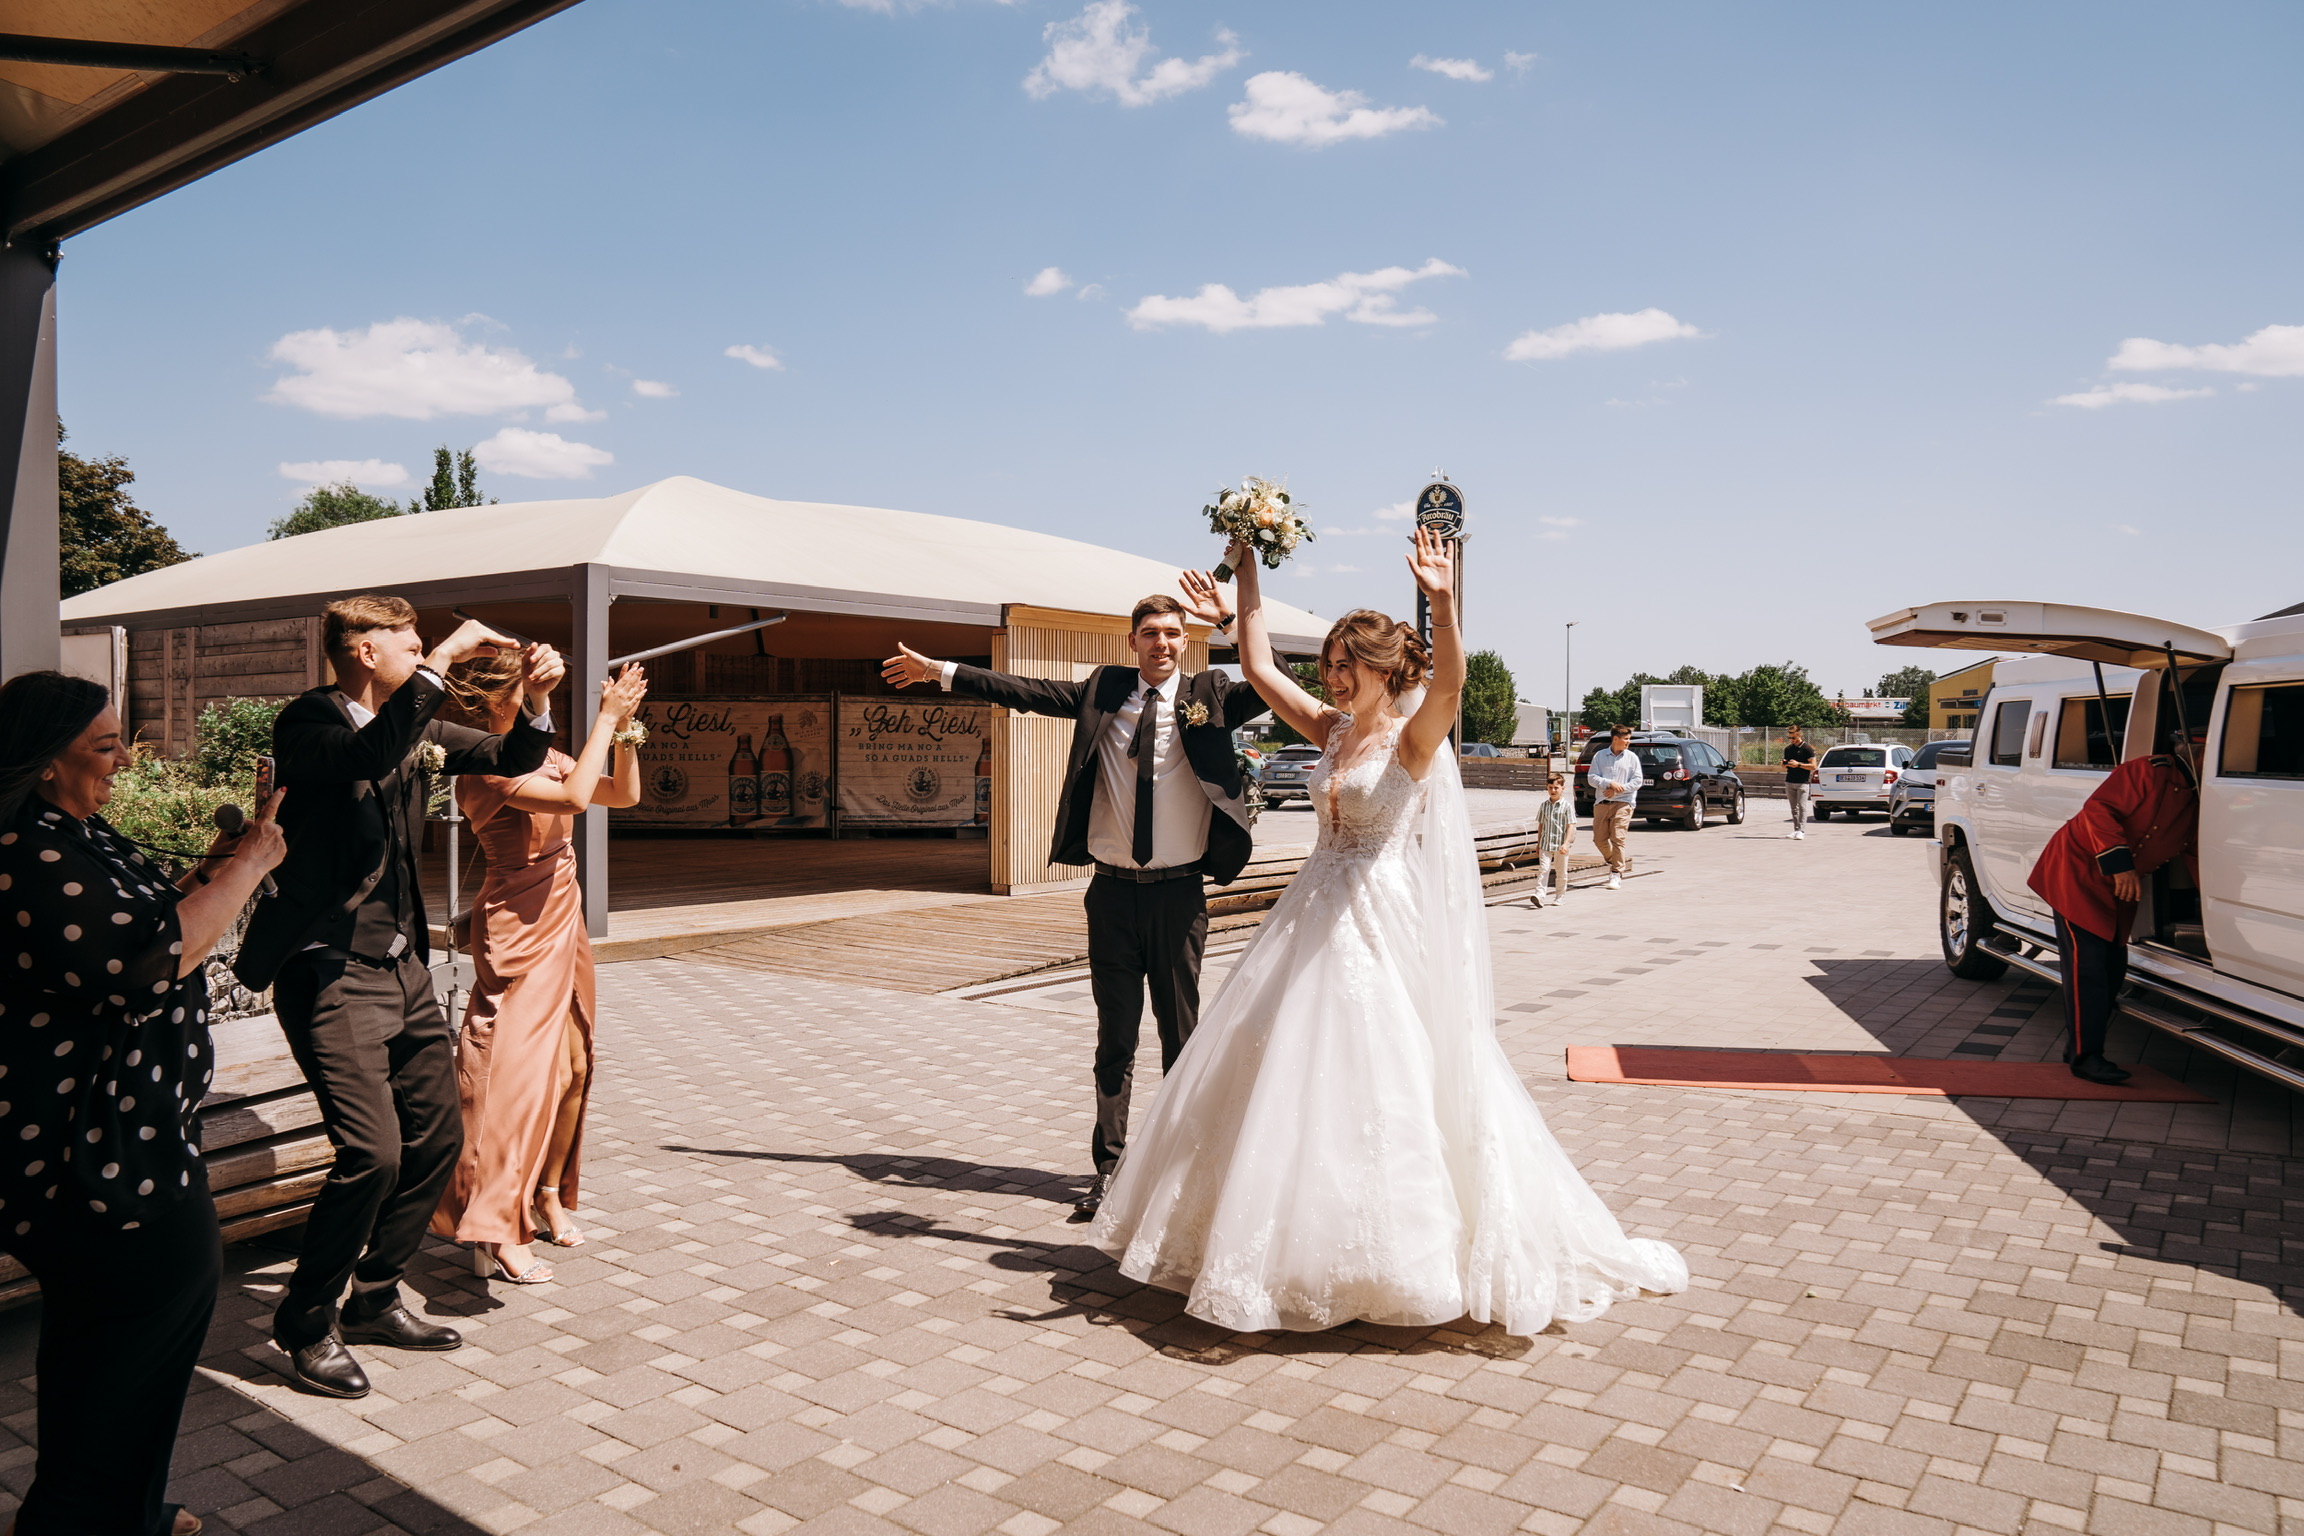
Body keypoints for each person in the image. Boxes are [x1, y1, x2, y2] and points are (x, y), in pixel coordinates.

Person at [1089, 530, 1687, 1336]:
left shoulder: (1413, 735)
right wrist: (1249, 575)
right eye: (1331, 665)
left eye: (1346, 665)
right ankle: (1279, 1249)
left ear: (1383, 668)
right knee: (1278, 1074)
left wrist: (1440, 596)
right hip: (1310, 917)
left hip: (1377, 919)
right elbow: (1262, 670)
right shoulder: (1333, 729)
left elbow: (1453, 679)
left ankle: (1401, 1258)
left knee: (1388, 1076)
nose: (1333, 677)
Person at [234, 596, 562, 1399]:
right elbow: (366, 754)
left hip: (400, 968)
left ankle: (375, 1297)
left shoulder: (414, 721)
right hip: (328, 965)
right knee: (371, 1152)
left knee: (437, 1138)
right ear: (362, 650)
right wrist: (443, 656)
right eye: (409, 645)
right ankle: (305, 1322)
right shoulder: (307, 723)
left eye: (424, 645)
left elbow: (511, 753)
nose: (423, 657)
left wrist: (541, 702)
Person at [0, 672, 285, 1536]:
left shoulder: (70, 833)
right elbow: (144, 958)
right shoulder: (28, 850)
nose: (124, 759)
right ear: (46, 761)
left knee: (107, 1355)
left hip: (125, 1138)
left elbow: (156, 914)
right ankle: (82, 1519)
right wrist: (253, 871)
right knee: (133, 1342)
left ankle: (110, 1510)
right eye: (104, 745)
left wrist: (235, 855)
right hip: (94, 1159)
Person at [881, 587, 1268, 1222]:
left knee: (1182, 1039)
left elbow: (1267, 677)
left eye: (1173, 633)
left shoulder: (1211, 697)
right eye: (1150, 634)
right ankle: (1111, 1172)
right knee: (1113, 1040)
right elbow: (1022, 690)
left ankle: (1178, 1173)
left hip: (1179, 898)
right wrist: (942, 672)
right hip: (1111, 895)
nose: (1162, 644)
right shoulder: (1103, 691)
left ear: (1186, 639)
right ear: (1133, 642)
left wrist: (1232, 618)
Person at [431, 660, 649, 1283]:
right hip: (519, 927)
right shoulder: (479, 766)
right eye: (523, 691)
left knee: (575, 1068)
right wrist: (604, 718)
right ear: (493, 704)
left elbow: (620, 793)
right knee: (515, 1079)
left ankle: (547, 1192)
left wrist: (626, 727)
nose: (536, 697)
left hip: (565, 915)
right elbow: (578, 797)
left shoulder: (545, 753)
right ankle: (494, 1225)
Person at [2025, 725, 2202, 1084]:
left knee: (2111, 969)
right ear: (2191, 751)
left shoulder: (2195, 796)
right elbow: (2098, 811)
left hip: (2120, 885)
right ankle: (2085, 1058)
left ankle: (2080, 1047)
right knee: (2087, 968)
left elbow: (2194, 851)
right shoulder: (2146, 771)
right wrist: (2120, 866)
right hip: (2080, 873)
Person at [1586, 725, 1644, 890]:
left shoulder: (1632, 758)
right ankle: (1613, 859)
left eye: (1628, 739)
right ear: (1615, 739)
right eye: (1625, 739)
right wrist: (1608, 783)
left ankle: (1616, 873)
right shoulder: (1600, 755)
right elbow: (1591, 777)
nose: (1628, 742)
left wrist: (1620, 788)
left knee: (1618, 837)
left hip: (1624, 802)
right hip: (1602, 803)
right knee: (1599, 839)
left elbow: (1637, 781)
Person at [1533, 772, 1575, 906]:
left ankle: (1560, 896)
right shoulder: (1544, 806)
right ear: (1547, 788)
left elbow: (1571, 826)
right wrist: (1539, 843)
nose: (1553, 790)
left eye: (1556, 788)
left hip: (1561, 845)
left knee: (1561, 871)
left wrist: (1566, 843)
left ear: (1563, 788)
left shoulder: (1567, 806)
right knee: (1543, 869)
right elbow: (1541, 825)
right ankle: (1539, 895)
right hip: (1545, 844)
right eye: (1550, 787)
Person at [1781, 724, 1816, 839]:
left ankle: (1801, 830)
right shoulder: (1788, 749)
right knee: (1793, 808)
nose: (1791, 740)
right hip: (1790, 780)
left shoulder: (1807, 748)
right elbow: (1786, 766)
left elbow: (1813, 766)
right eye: (1789, 738)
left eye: (1794, 738)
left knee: (1802, 806)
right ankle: (1795, 830)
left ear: (1799, 735)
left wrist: (1799, 765)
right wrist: (1784, 764)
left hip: (1802, 782)